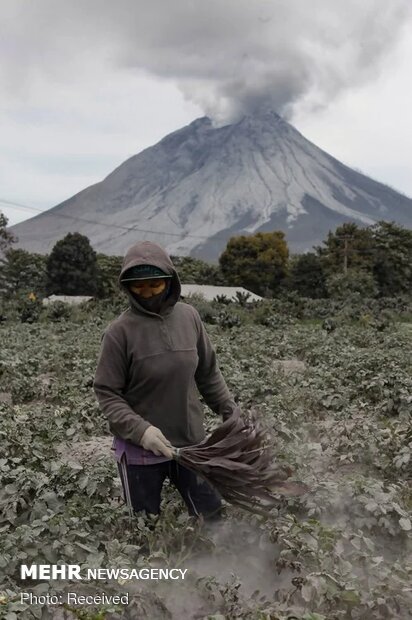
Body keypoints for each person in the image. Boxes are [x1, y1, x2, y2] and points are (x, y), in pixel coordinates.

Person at [93, 240, 238, 520]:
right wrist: (141, 431)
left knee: (212, 517)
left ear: (169, 281)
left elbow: (207, 372)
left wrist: (229, 410)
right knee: (144, 525)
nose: (146, 293)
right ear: (127, 286)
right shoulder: (118, 332)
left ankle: (220, 563)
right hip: (140, 451)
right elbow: (108, 392)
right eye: (138, 286)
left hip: (191, 442)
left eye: (154, 285)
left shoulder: (190, 317)